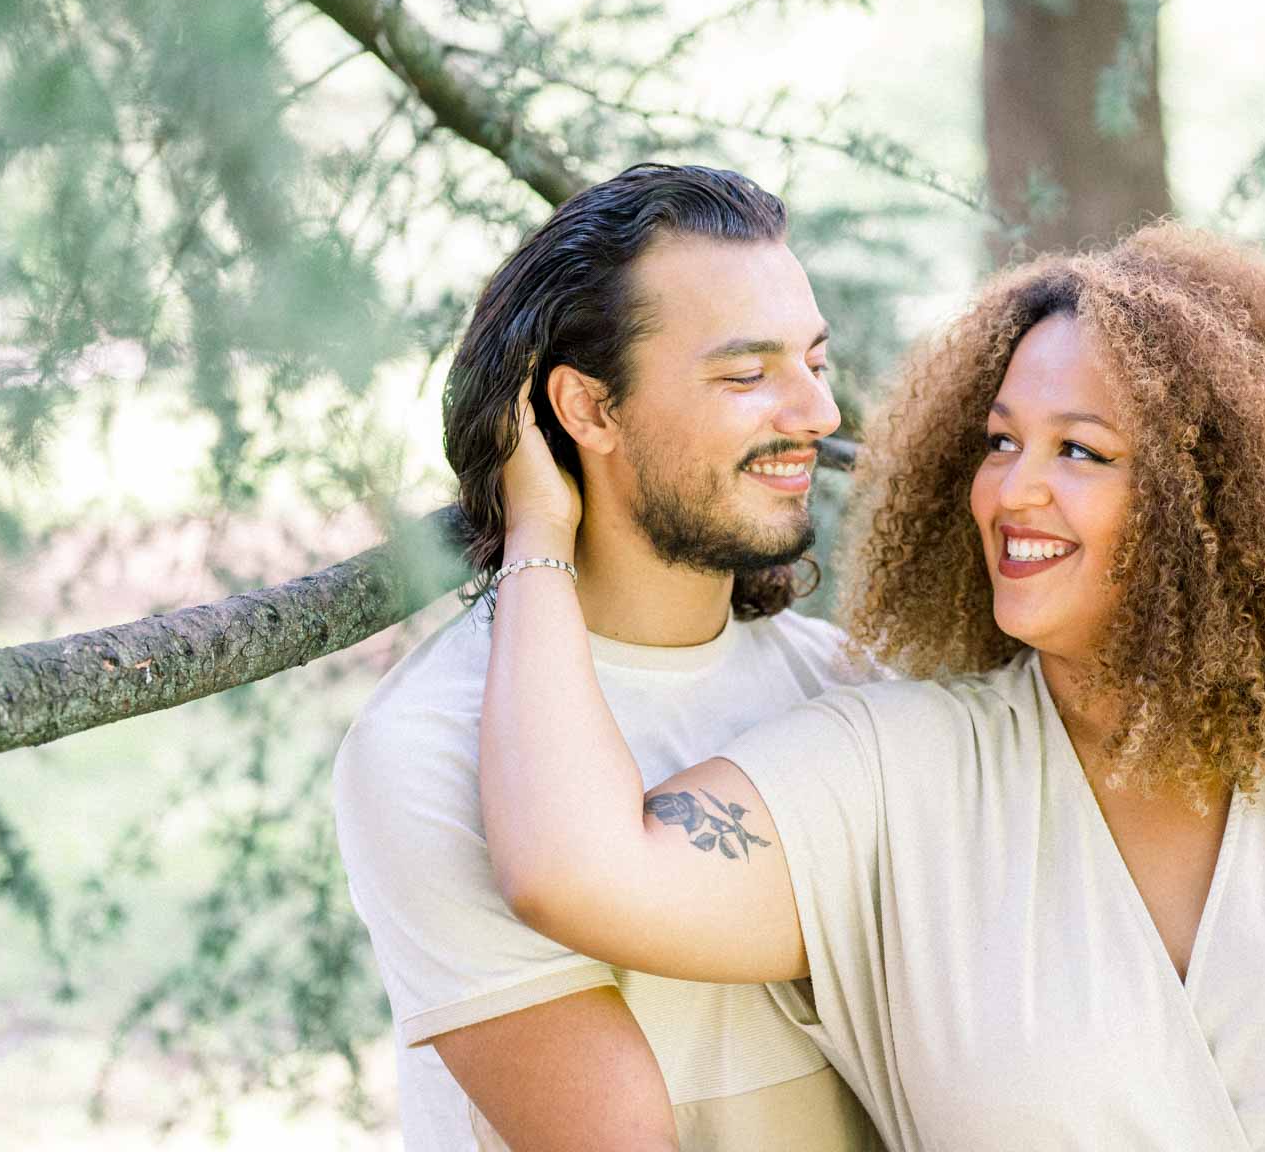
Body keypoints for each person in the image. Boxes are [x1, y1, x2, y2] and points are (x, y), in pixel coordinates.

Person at [476, 221, 1265, 1150]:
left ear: (1217, 509)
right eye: (1000, 440)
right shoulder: (895, 777)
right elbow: (572, 871)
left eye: (1080, 452)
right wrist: (541, 531)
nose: (1013, 490)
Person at [332, 164, 883, 1150]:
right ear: (589, 410)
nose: (815, 414)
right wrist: (538, 542)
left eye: (815, 361)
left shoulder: (847, 683)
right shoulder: (429, 748)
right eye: (747, 374)